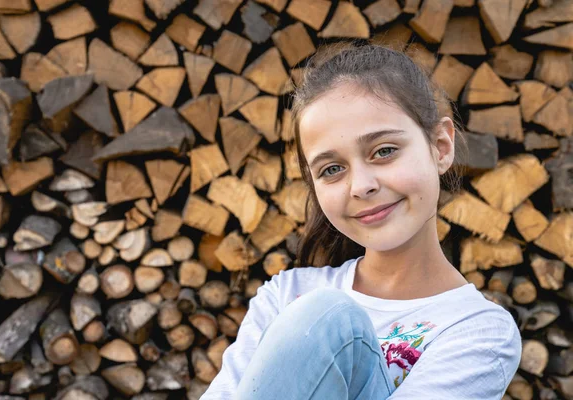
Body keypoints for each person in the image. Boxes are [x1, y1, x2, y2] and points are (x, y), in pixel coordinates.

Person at [200, 42, 522, 400]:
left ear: (441, 146)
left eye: (384, 151)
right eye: (332, 169)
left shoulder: (477, 329)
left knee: (331, 320)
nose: (362, 186)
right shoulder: (285, 296)